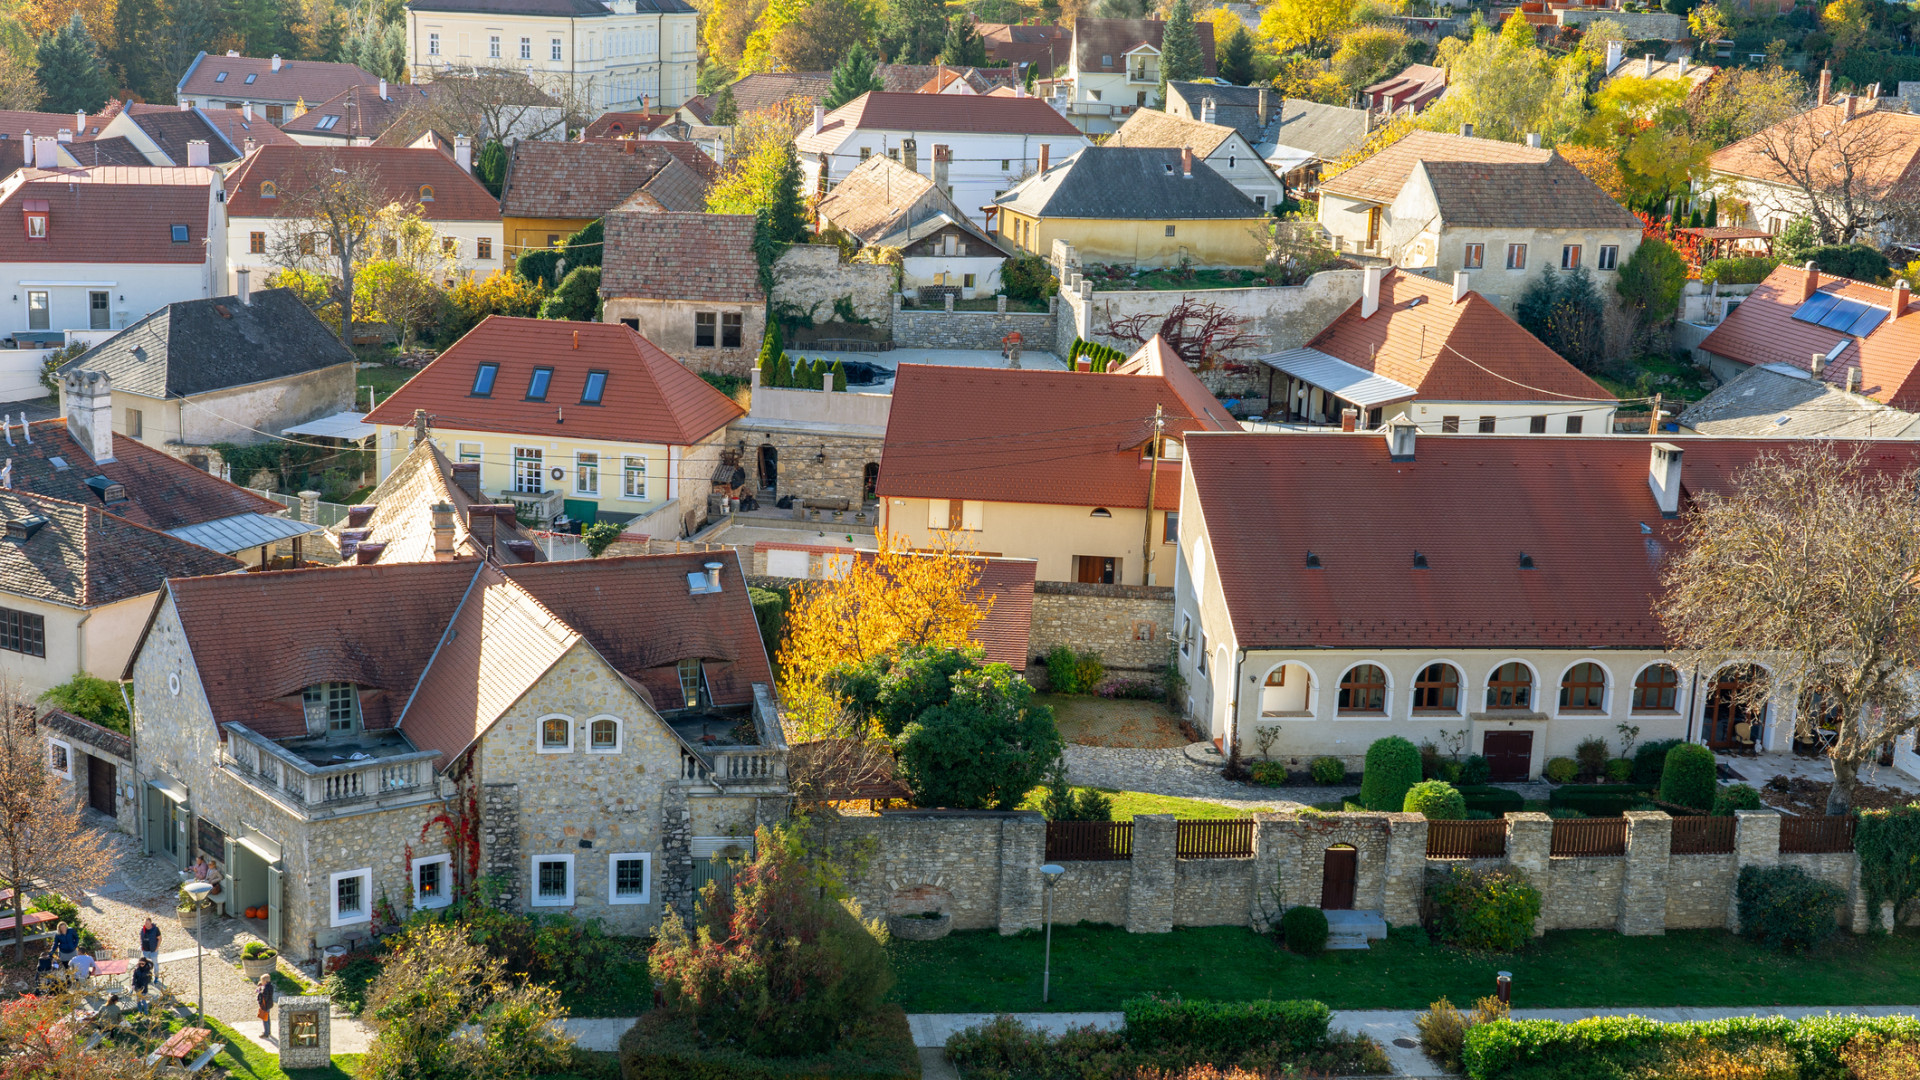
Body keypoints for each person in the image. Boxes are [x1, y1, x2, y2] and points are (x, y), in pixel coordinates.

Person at [255, 973, 276, 1038]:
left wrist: (259, 992)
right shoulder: (270, 986)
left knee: (265, 1019)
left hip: (265, 1005)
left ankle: (266, 1033)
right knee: (267, 1018)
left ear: (265, 981)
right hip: (268, 1004)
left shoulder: (265, 989)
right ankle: (268, 1031)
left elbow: (264, 996)